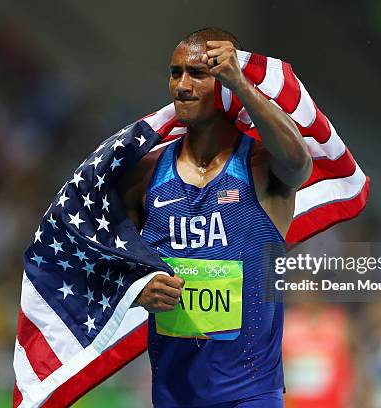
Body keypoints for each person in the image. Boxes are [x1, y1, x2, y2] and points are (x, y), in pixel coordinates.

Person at [117, 27, 312, 408]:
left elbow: (299, 162)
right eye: (175, 73)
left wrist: (241, 82)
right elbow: (114, 259)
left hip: (251, 392)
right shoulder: (146, 173)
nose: (182, 86)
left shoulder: (259, 167)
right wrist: (137, 290)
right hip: (174, 392)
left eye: (197, 73)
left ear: (224, 82)